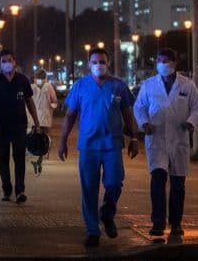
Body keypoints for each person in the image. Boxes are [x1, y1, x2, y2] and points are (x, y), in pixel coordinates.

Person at [57, 49, 140, 246]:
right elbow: (70, 115)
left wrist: (134, 138)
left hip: (112, 144)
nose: (98, 64)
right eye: (94, 61)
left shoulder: (118, 86)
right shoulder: (80, 86)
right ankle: (92, 230)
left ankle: (107, 212)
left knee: (114, 183)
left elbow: (127, 113)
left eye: (102, 61)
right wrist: (62, 141)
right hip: (88, 146)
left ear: (108, 63)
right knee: (89, 189)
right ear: (88, 63)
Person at [133, 47, 198, 242]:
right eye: (159, 60)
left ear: (174, 63)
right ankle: (157, 222)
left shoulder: (187, 85)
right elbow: (139, 107)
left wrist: (191, 122)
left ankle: (176, 222)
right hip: (156, 138)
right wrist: (144, 123)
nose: (163, 64)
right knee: (157, 180)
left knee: (178, 184)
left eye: (166, 61)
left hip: (179, 138)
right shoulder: (148, 85)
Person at [0, 50, 41, 203]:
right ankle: (6, 190)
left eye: (9, 60)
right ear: (0, 64)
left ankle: (20, 191)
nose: (7, 63)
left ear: (15, 62)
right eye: (3, 61)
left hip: (20, 125)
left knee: (19, 157)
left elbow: (29, 102)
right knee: (3, 158)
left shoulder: (23, 80)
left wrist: (37, 122)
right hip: (0, 126)